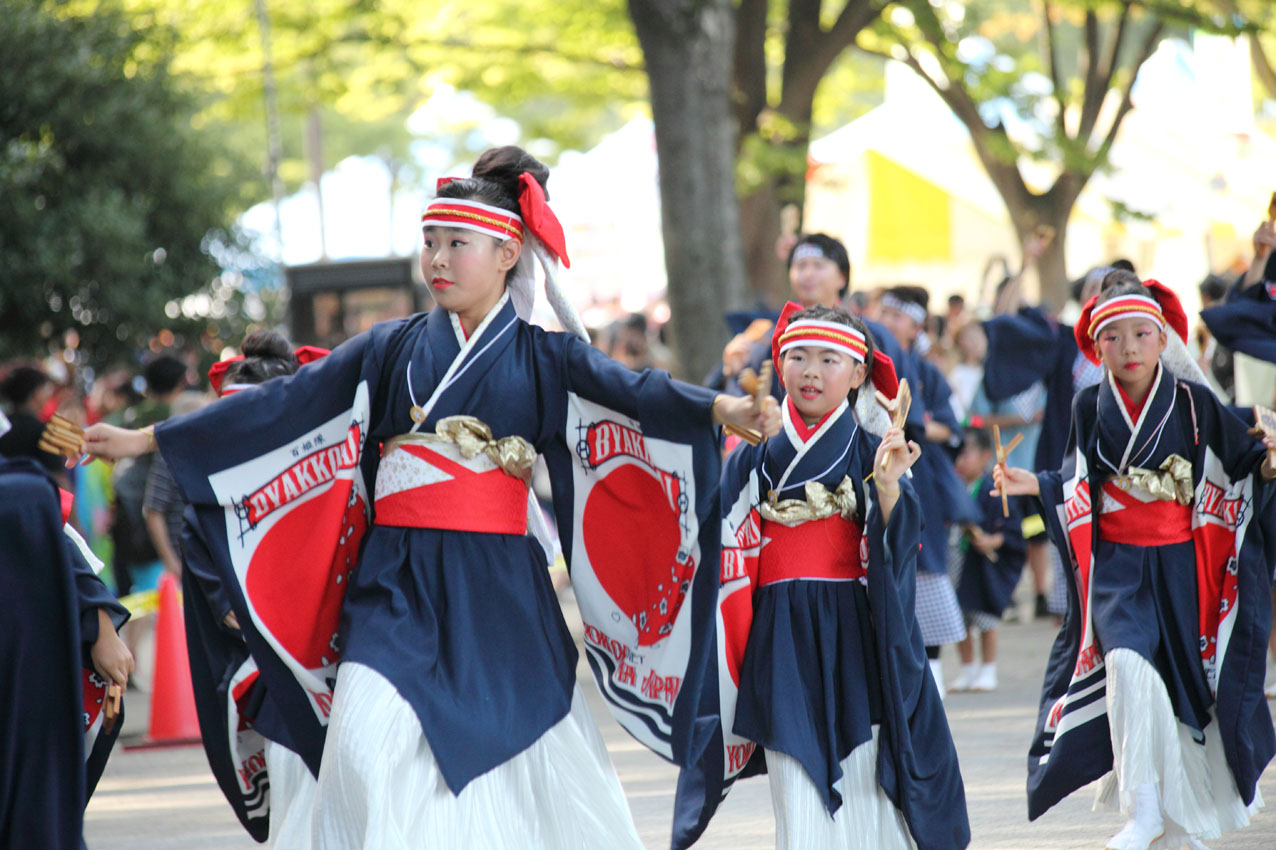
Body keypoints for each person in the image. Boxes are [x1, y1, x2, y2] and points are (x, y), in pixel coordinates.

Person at [75, 145, 780, 849]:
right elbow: (282, 405)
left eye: (457, 244)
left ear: (508, 253)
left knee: (532, 758)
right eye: (430, 243)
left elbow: (636, 394)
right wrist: (148, 441)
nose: (437, 259)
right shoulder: (388, 349)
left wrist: (722, 410)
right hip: (398, 580)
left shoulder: (544, 355)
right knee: (365, 740)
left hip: (501, 586)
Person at [673, 303, 969, 850]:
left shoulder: (871, 450)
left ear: (858, 374)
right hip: (778, 634)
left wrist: (885, 490)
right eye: (798, 356)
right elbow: (714, 535)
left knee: (864, 771)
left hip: (854, 628)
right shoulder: (753, 455)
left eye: (829, 359)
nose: (811, 370)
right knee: (795, 774)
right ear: (779, 365)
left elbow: (902, 543)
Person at [995, 278, 1276, 850]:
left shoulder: (1195, 403)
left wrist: (1269, 463)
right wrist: (1036, 485)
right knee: (1126, 666)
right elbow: (1077, 480)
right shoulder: (1087, 404)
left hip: (1181, 563)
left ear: (1162, 338)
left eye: (1141, 334)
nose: (1129, 347)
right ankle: (1142, 807)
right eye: (1114, 337)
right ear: (1097, 348)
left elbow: (1244, 461)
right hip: (1119, 567)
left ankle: (1180, 817)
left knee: (1178, 689)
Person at [879, 285, 978, 697]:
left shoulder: (925, 370)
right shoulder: (870, 363)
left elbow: (951, 428)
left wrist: (917, 424)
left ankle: (932, 679)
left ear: (916, 323)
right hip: (881, 474)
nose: (887, 321)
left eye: (897, 315)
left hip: (924, 477)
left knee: (927, 568)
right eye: (883, 312)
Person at [950, 428, 1025, 692]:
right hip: (956, 559)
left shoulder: (995, 488)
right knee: (958, 618)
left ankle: (988, 669)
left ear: (984, 456)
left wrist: (993, 540)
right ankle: (968, 669)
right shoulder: (953, 485)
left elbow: (1013, 529)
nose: (960, 460)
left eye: (966, 454)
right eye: (957, 454)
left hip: (983, 564)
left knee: (984, 619)